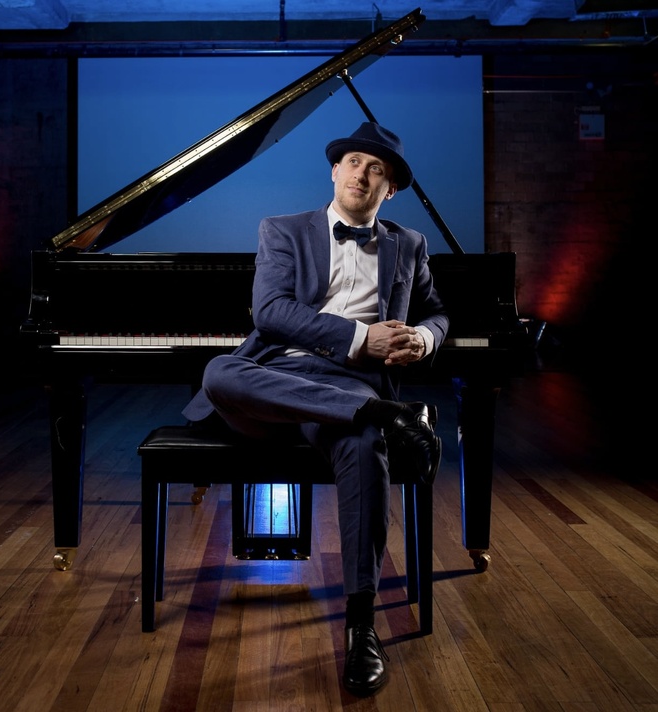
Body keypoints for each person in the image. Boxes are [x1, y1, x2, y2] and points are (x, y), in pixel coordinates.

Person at [181, 121, 448, 697]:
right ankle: (388, 415)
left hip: (352, 389)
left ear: (390, 189)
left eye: (377, 170)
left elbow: (437, 312)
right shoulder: (282, 229)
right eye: (354, 162)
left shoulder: (409, 244)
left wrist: (424, 339)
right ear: (334, 170)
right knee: (220, 371)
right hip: (276, 378)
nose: (362, 175)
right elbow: (271, 312)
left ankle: (361, 627)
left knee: (363, 445)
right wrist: (362, 337)